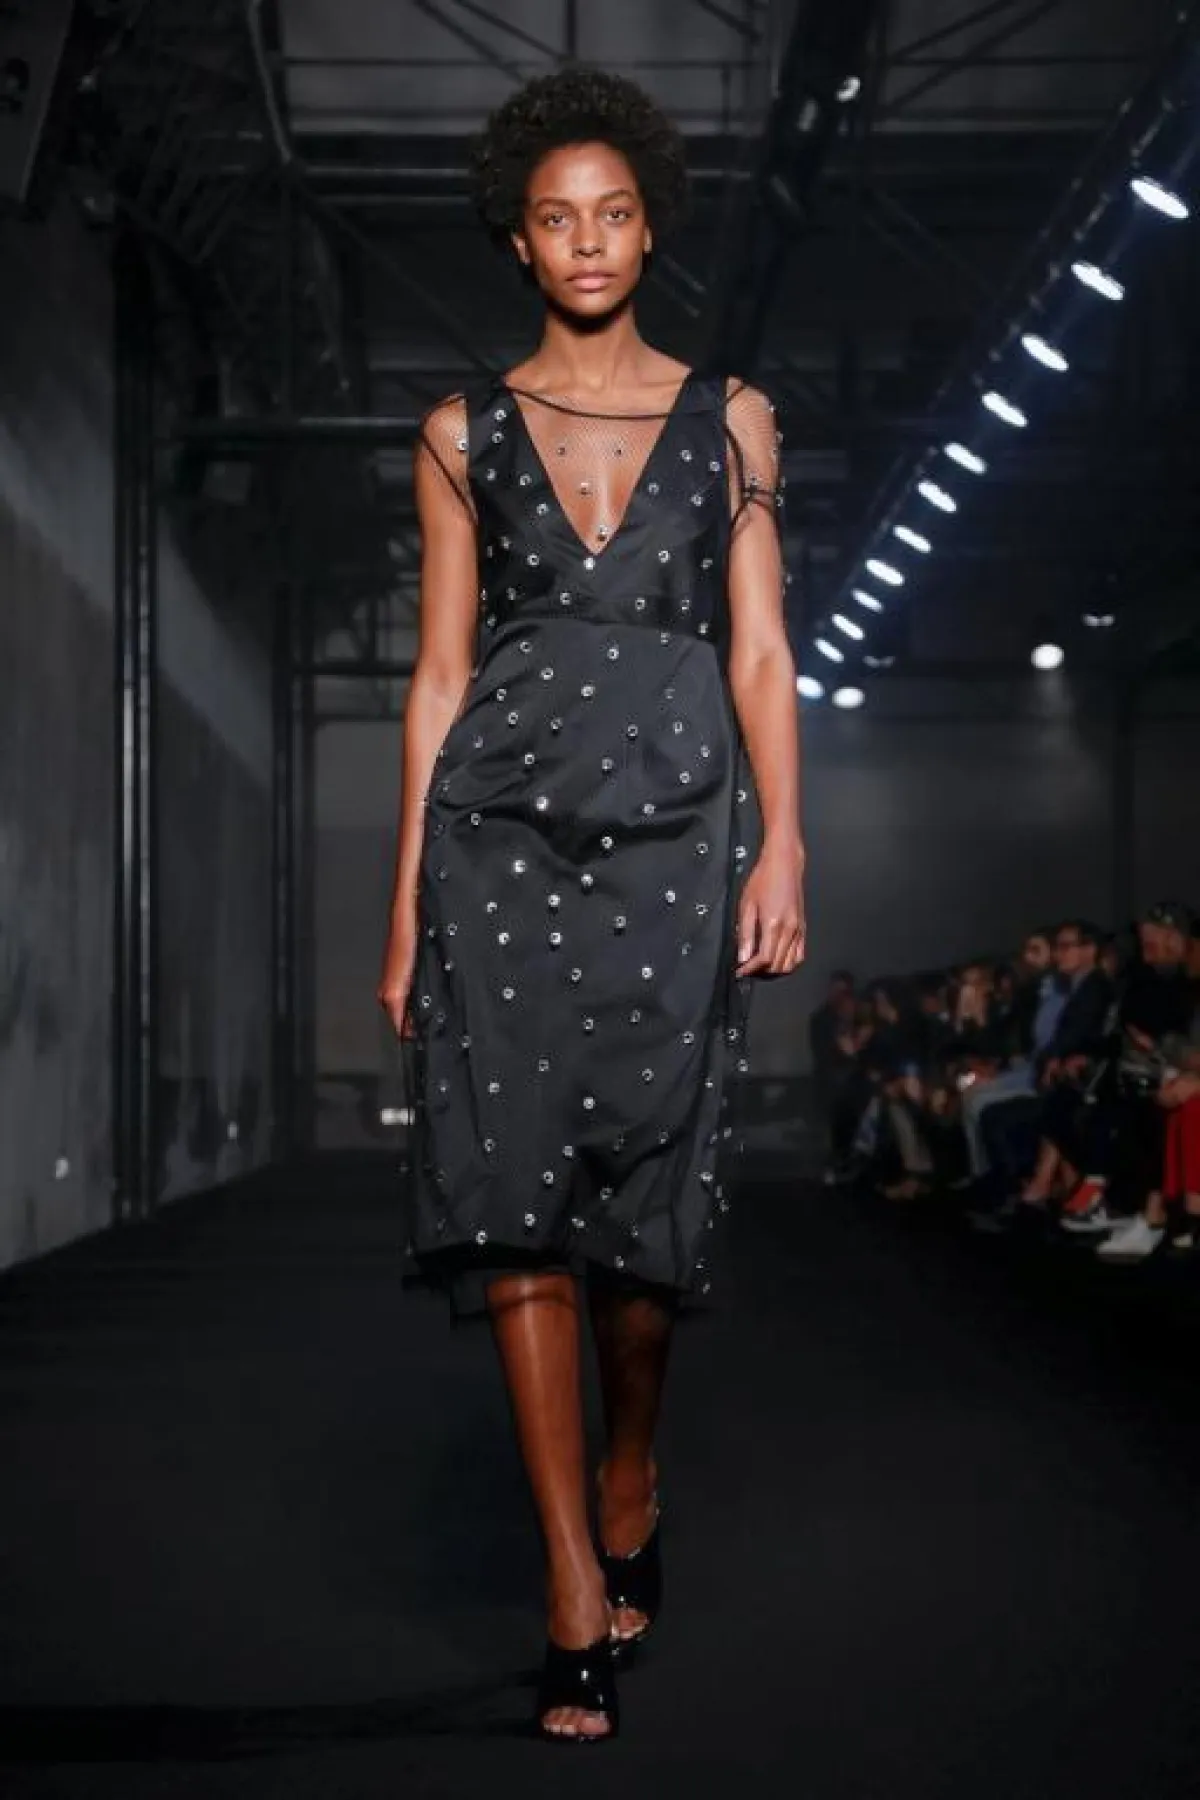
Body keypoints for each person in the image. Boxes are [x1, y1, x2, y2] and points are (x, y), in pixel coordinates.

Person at [376, 67, 806, 1744]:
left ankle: (633, 1462)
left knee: (645, 1227)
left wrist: (785, 844)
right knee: (512, 1200)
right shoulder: (458, 431)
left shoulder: (735, 417)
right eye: (557, 217)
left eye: (614, 212)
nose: (588, 240)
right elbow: (435, 679)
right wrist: (404, 907)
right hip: (497, 839)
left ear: (650, 227)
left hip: (679, 838)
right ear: (518, 239)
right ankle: (567, 1571)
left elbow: (760, 648)